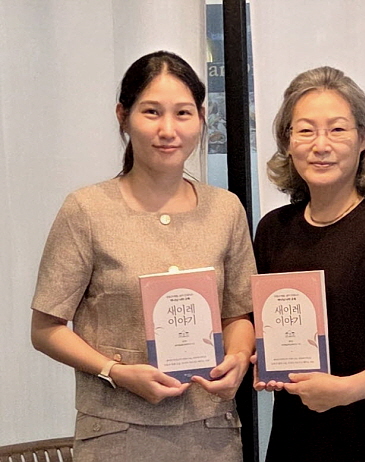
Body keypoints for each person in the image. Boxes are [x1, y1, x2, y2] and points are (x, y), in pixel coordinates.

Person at [30, 51, 256, 461]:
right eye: (152, 112)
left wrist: (239, 359)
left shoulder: (225, 209)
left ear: (201, 118)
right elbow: (45, 329)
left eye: (183, 113)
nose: (168, 130)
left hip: (212, 432)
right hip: (117, 433)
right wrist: (115, 372)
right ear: (123, 116)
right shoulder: (87, 210)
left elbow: (238, 314)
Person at [253, 66, 365, 462]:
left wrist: (345, 390)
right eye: (305, 130)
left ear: (363, 140)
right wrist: (262, 359)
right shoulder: (273, 231)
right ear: (287, 142)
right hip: (294, 439)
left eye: (337, 129)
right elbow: (264, 326)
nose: (321, 145)